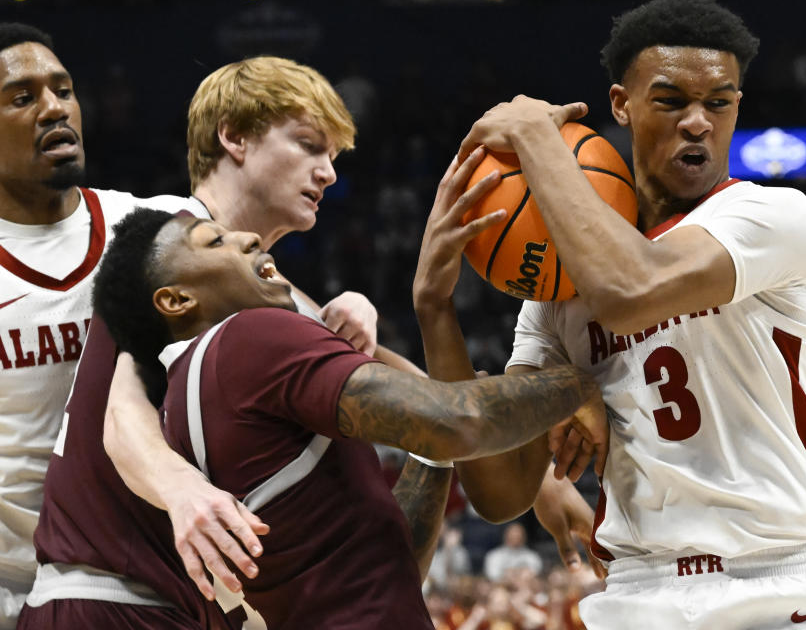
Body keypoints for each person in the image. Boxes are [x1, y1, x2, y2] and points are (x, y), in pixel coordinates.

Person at [418, 0, 806, 627]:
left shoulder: (772, 218)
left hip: (774, 583)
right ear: (620, 106)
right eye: (671, 101)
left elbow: (629, 291)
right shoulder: (558, 286)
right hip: (634, 591)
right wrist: (436, 310)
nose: (698, 122)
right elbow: (498, 493)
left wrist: (533, 136)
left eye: (720, 102)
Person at [0, 30, 381, 628]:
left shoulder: (145, 227)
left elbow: (284, 300)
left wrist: (353, 309)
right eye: (21, 97)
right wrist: (181, 489)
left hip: (113, 571)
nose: (53, 106)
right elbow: (122, 414)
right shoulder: (165, 239)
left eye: (64, 90)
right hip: (41, 578)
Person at [89, 207, 607, 628]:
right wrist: (586, 382)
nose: (246, 238)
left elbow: (385, 566)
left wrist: (430, 454)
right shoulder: (249, 338)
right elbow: (458, 420)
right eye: (214, 242)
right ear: (176, 300)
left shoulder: (181, 408)